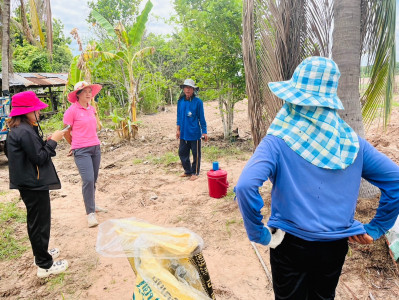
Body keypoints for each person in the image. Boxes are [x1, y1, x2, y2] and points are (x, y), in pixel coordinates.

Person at [234, 56, 399, 300]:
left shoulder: (277, 141)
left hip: (289, 243)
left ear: (294, 98)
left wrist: (259, 234)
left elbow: (246, 186)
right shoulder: (353, 144)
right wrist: (376, 228)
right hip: (334, 247)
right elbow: (396, 180)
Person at [6, 91, 69, 278]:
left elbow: (27, 154)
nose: (39, 113)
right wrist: (54, 141)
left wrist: (46, 142)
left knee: (37, 222)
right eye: (36, 110)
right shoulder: (25, 131)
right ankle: (44, 266)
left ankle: (40, 255)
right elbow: (40, 157)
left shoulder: (20, 129)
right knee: (39, 223)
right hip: (33, 184)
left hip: (28, 183)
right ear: (26, 112)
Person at [63, 81, 107, 228]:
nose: (89, 94)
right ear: (78, 95)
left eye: (90, 91)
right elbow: (66, 131)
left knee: (93, 179)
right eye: (85, 91)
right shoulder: (72, 111)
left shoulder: (91, 109)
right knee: (87, 180)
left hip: (95, 147)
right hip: (81, 150)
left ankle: (93, 205)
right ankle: (90, 214)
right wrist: (74, 145)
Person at [176, 79, 208, 181]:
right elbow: (179, 117)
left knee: (196, 154)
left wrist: (204, 131)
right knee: (182, 153)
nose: (188, 90)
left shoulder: (198, 102)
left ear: (193, 90)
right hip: (184, 133)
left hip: (194, 133)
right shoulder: (180, 102)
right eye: (186, 87)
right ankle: (188, 171)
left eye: (190, 88)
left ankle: (195, 172)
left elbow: (201, 118)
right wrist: (178, 130)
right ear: (183, 89)